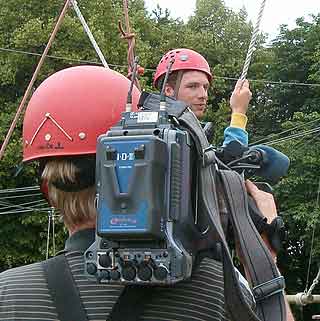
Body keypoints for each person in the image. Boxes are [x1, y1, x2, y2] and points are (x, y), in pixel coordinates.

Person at [0, 65, 293, 321]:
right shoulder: (218, 293)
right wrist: (263, 262)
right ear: (157, 174)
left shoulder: (7, 294)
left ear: (47, 191)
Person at [153, 48, 252, 147]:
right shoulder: (163, 136)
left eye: (205, 87)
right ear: (168, 91)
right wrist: (239, 112)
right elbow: (232, 159)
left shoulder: (183, 133)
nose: (203, 95)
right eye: (192, 86)